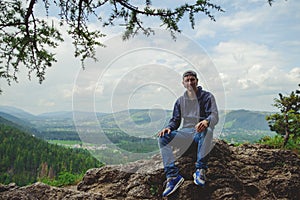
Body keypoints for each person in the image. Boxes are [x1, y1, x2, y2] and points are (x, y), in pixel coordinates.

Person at [157, 70, 219, 197]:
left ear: (197, 81)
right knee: (163, 138)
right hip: (185, 134)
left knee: (208, 130)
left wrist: (206, 121)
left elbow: (214, 116)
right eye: (187, 80)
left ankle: (200, 169)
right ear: (183, 83)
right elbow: (175, 120)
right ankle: (173, 176)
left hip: (199, 134)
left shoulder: (207, 97)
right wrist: (168, 127)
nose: (190, 82)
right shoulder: (180, 101)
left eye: (192, 79)